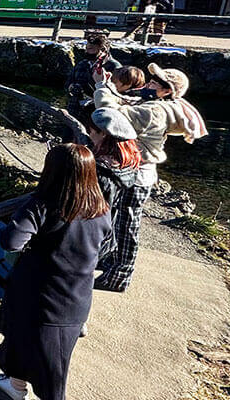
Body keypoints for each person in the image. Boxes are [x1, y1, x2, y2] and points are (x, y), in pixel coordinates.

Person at [0, 143, 112, 400]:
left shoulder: (43, 204)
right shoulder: (101, 209)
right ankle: (20, 388)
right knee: (55, 352)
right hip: (77, 294)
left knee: (27, 341)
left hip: (36, 292)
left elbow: (11, 241)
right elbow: (108, 246)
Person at [89, 64, 209, 292]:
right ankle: (111, 260)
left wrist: (103, 87)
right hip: (134, 171)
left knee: (127, 225)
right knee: (116, 219)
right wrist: (109, 87)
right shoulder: (154, 105)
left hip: (137, 175)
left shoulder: (155, 111)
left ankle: (120, 275)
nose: (148, 84)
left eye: (155, 83)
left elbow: (110, 114)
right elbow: (123, 104)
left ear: (166, 91)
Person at [87, 106, 146, 302]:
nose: (88, 133)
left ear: (104, 134)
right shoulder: (129, 163)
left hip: (91, 238)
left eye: (92, 130)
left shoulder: (101, 172)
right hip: (107, 237)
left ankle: (76, 318)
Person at [65, 32, 119, 128]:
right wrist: (71, 87)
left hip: (98, 110)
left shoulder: (114, 67)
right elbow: (69, 81)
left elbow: (117, 93)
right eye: (86, 48)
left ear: (102, 50)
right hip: (75, 107)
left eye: (90, 49)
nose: (86, 51)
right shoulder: (83, 63)